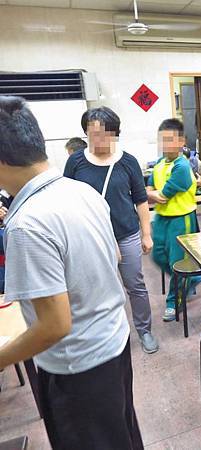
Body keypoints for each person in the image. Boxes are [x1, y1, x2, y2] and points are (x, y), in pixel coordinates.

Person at [0, 96, 143, 449]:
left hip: (78, 368)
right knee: (122, 435)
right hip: (113, 343)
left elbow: (54, 325)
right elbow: (111, 256)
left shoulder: (26, 225)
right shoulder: (82, 191)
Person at [64, 106, 158, 354]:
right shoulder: (76, 162)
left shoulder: (127, 162)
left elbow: (140, 199)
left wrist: (146, 233)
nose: (99, 139)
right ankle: (103, 334)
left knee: (135, 285)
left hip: (126, 234)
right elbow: (68, 200)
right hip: (91, 238)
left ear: (115, 134)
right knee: (95, 287)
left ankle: (144, 330)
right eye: (92, 133)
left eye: (105, 134)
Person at [147, 119, 201, 322]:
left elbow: (160, 195)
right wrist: (152, 193)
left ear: (182, 142)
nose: (165, 145)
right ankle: (193, 278)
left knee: (176, 264)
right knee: (157, 256)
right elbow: (148, 190)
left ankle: (173, 302)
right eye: (162, 140)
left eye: (170, 140)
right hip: (162, 218)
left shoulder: (182, 167)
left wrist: (152, 194)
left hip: (182, 218)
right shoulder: (159, 164)